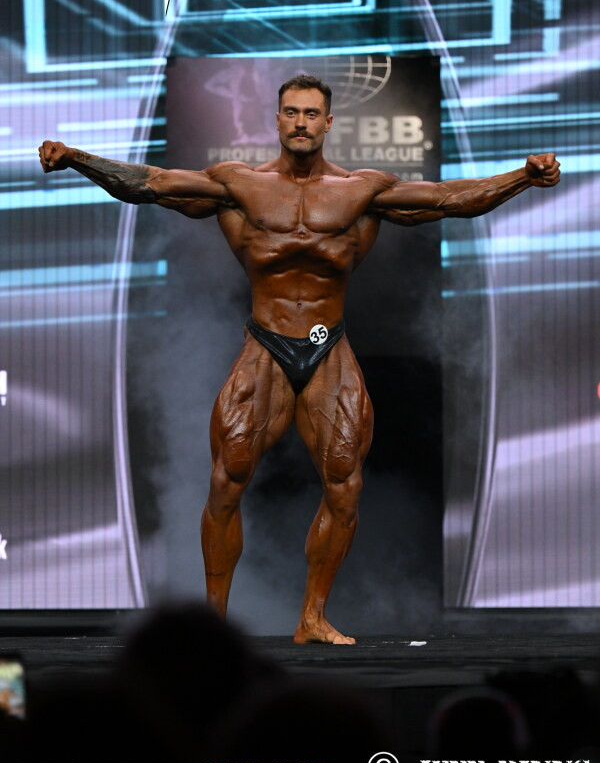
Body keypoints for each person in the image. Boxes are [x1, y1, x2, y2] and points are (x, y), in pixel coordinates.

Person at [38, 74, 561, 644]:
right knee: (227, 481)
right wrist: (77, 158)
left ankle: (312, 617)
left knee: (345, 486)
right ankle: (213, 628)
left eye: (312, 113)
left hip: (326, 345)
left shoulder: (361, 190)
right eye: (291, 112)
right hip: (266, 342)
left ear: (329, 122)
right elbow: (152, 184)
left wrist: (522, 177)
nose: (301, 123)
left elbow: (447, 199)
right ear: (278, 119)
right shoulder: (239, 185)